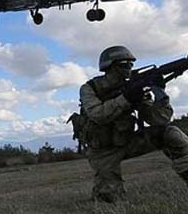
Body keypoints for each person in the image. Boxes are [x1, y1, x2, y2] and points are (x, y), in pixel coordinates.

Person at [79, 45, 188, 203]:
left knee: (171, 133)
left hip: (128, 142)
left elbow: (159, 120)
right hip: (103, 152)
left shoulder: (133, 88)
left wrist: (160, 95)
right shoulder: (90, 88)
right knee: (109, 199)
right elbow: (98, 115)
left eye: (131, 64)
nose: (129, 69)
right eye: (124, 64)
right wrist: (126, 99)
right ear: (109, 67)